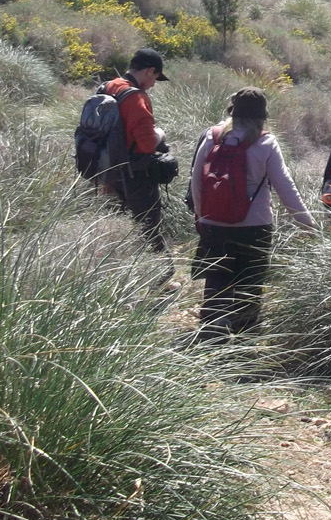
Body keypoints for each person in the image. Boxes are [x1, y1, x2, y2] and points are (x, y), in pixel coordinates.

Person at [189, 87, 316, 338]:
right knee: (249, 283)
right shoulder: (265, 142)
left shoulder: (213, 137)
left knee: (216, 278)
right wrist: (308, 225)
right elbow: (285, 188)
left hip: (214, 223)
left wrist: (202, 216)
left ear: (233, 113)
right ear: (262, 116)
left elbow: (196, 181)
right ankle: (244, 341)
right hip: (254, 226)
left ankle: (211, 337)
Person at [100, 49, 172, 259]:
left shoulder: (107, 87)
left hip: (107, 173)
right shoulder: (136, 98)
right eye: (156, 78)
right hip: (135, 175)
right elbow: (148, 144)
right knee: (149, 226)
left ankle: (123, 272)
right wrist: (160, 134)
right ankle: (162, 278)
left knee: (121, 226)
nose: (154, 84)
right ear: (150, 71)